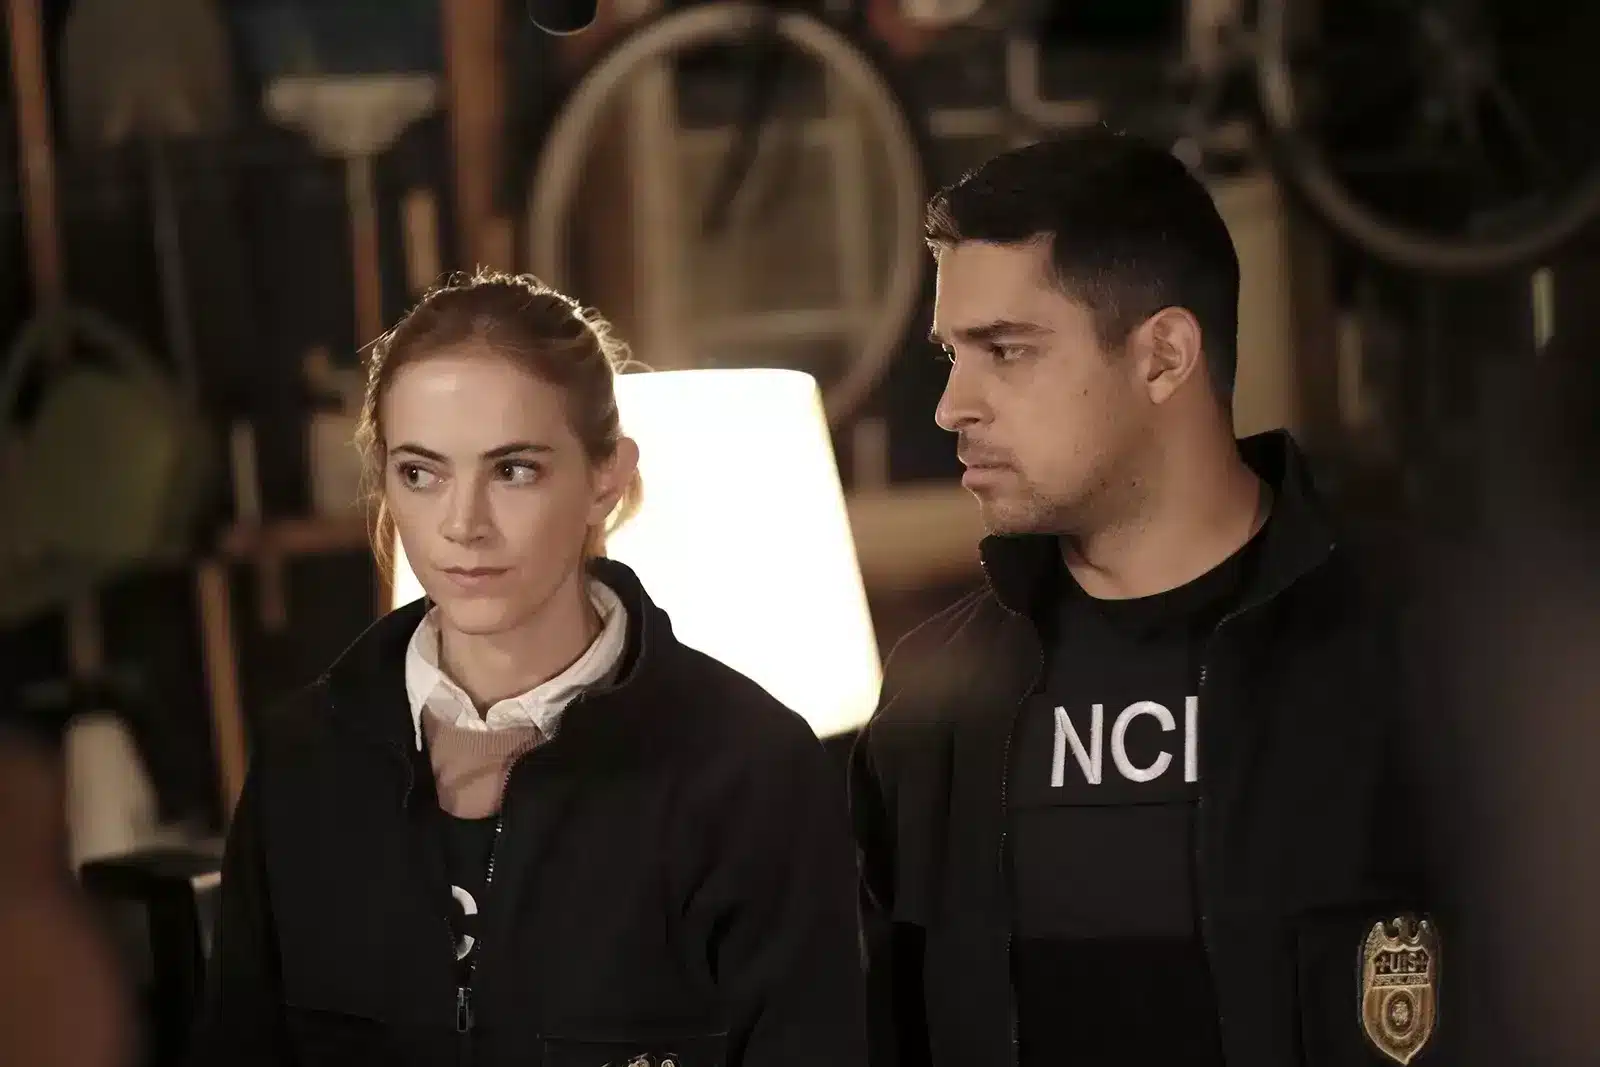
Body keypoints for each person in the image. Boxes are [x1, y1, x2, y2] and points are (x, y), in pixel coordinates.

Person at [849, 131, 1443, 1067]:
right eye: (951, 354)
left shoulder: (1425, 658)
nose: (951, 406)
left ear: (1164, 355)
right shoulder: (935, 701)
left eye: (1006, 350)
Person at [192, 271, 867, 1067]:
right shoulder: (305, 757)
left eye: (513, 469)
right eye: (421, 472)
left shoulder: (750, 772)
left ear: (606, 477)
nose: (462, 524)